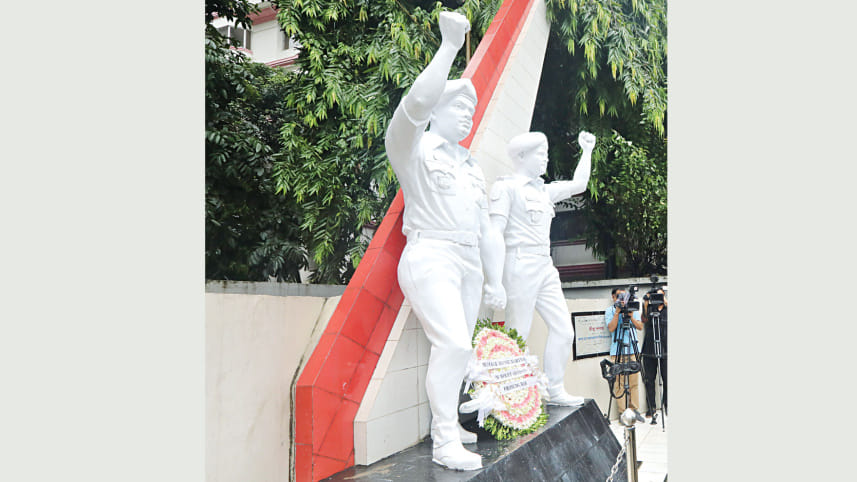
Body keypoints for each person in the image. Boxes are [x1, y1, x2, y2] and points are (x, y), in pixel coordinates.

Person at [384, 11, 506, 471]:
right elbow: (413, 105)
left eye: (471, 111)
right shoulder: (412, 148)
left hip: (469, 260)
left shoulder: (471, 166)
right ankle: (444, 441)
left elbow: (487, 228)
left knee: (461, 347)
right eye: (458, 108)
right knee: (453, 344)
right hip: (431, 254)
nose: (467, 116)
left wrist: (494, 279)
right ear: (437, 110)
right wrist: (450, 45)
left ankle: (454, 425)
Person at [488, 131, 595, 406]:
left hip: (545, 265)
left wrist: (587, 151)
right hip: (519, 263)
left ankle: (554, 389)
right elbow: (494, 233)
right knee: (517, 332)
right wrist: (494, 280)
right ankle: (508, 398)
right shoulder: (506, 188)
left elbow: (580, 184)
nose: (546, 159)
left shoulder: (544, 191)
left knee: (564, 330)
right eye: (541, 154)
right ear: (522, 156)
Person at [604, 288, 644, 413]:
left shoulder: (632, 308)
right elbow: (611, 328)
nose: (622, 300)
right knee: (619, 383)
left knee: (634, 383)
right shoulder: (610, 311)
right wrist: (617, 312)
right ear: (613, 297)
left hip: (632, 350)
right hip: (617, 350)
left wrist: (631, 317)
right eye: (618, 296)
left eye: (624, 296)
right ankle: (623, 412)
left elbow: (640, 326)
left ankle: (634, 410)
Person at [641, 287, 668, 418]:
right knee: (649, 380)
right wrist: (645, 304)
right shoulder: (650, 309)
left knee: (667, 379)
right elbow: (644, 320)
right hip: (650, 349)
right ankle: (651, 407)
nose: (658, 299)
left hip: (666, 349)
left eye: (660, 296)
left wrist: (666, 302)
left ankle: (667, 404)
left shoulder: (667, 309)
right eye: (656, 296)